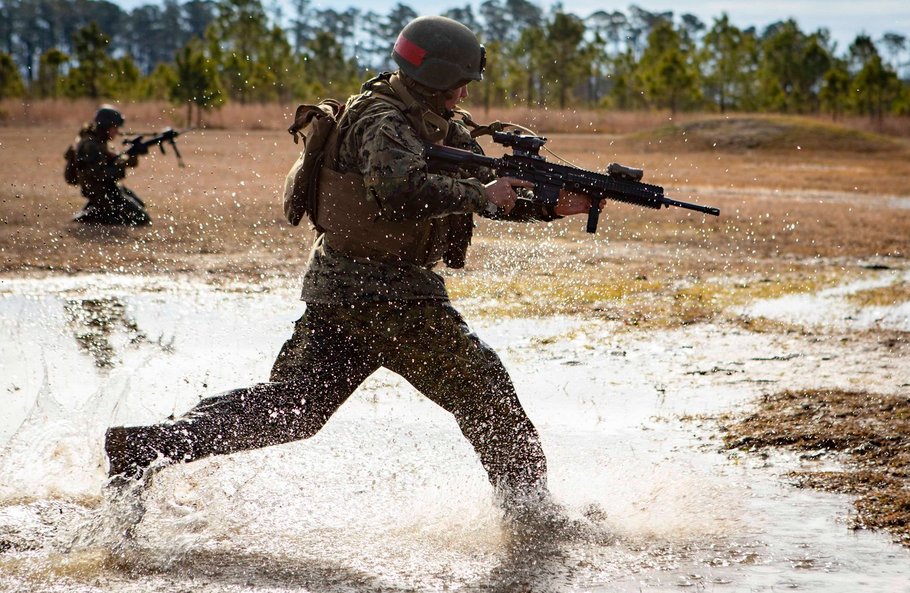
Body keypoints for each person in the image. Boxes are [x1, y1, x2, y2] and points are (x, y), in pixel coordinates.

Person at [104, 16, 599, 519]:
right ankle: (534, 513)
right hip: (387, 294)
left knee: (293, 409)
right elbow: (398, 192)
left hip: (348, 289)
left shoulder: (433, 121)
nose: (466, 90)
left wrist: (551, 205)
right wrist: (481, 195)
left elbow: (488, 183)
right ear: (434, 75)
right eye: (460, 81)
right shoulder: (382, 121)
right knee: (486, 395)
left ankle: (145, 447)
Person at [68, 105, 151, 226]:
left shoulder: (100, 142)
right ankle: (96, 213)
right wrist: (119, 169)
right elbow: (98, 174)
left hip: (108, 189)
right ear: (106, 127)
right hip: (101, 191)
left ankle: (98, 210)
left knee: (140, 205)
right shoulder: (90, 145)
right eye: (115, 127)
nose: (117, 131)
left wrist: (134, 153)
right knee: (141, 219)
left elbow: (117, 162)